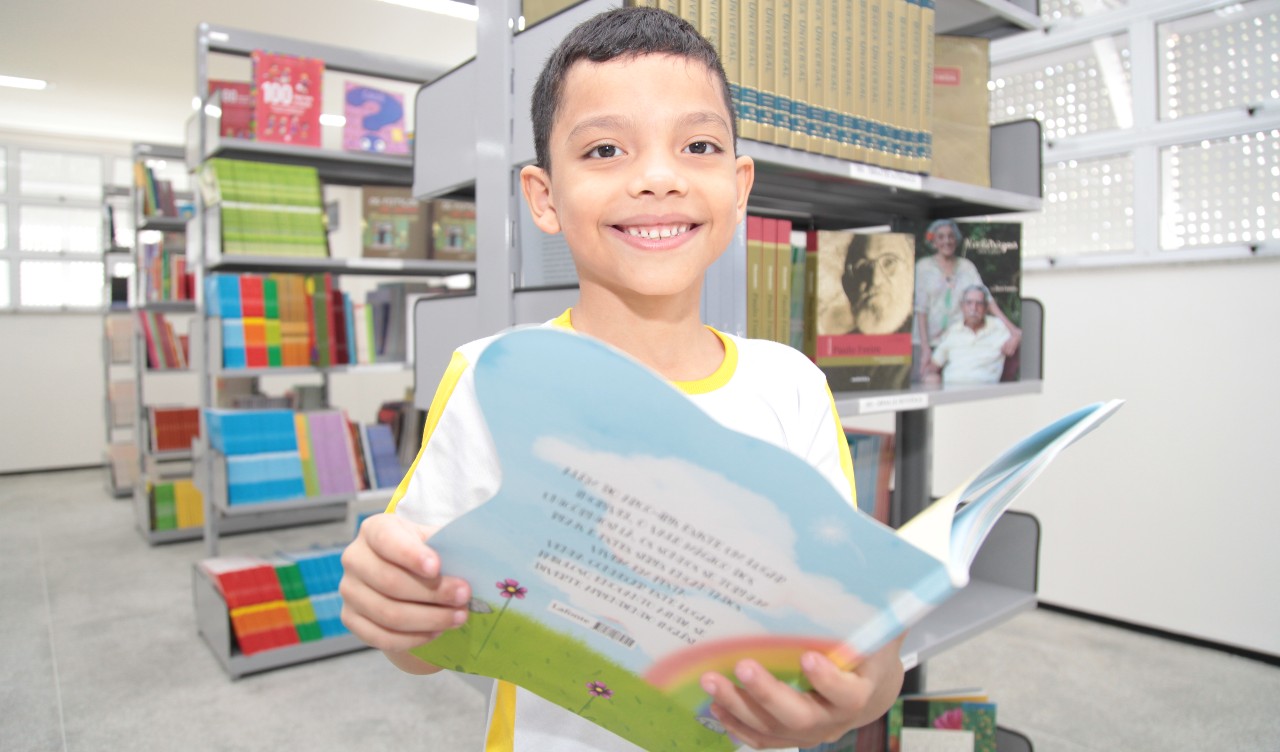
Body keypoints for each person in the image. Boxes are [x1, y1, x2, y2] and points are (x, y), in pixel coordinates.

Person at [338, 7, 904, 751]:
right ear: (543, 197)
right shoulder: (497, 376)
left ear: (739, 188)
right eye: (606, 149)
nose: (659, 178)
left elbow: (861, 642)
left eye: (697, 145)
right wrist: (392, 609)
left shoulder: (791, 384)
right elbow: (421, 641)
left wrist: (862, 691)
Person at [913, 218, 1020, 379]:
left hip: (955, 339)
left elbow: (986, 298)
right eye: (941, 237)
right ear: (933, 241)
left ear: (956, 240)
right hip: (925, 339)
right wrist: (925, 347)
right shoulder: (923, 267)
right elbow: (921, 309)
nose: (946, 241)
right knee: (924, 382)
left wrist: (1014, 331)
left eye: (950, 236)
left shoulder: (966, 266)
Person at [923, 285, 1011, 385]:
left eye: (979, 304)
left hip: (984, 393)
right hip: (951, 392)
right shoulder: (953, 332)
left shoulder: (998, 327)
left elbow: (1025, 338)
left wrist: (1016, 338)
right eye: (969, 303)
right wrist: (930, 375)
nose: (974, 308)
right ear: (962, 307)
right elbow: (934, 365)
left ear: (986, 308)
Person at [841, 232, 913, 336]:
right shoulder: (840, 345)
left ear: (911, 274)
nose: (875, 280)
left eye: (889, 263)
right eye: (863, 266)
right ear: (847, 286)